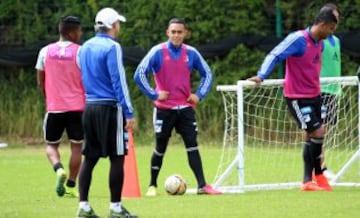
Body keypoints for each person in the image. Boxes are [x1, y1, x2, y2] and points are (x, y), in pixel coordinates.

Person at [248, 5, 340, 191]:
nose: (332, 33)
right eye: (331, 28)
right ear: (322, 24)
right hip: (297, 97)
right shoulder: (297, 39)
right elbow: (275, 54)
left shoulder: (320, 43)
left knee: (310, 135)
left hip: (315, 95)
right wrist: (261, 75)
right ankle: (319, 175)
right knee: (318, 132)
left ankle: (307, 181)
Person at [134, 18, 222, 196]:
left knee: (192, 145)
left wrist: (199, 95)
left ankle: (202, 186)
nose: (176, 35)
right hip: (164, 110)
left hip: (185, 109)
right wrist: (154, 94)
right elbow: (139, 74)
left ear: (185, 33)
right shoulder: (157, 51)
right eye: (173, 32)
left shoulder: (191, 53)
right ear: (168, 32)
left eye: (179, 32)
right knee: (160, 147)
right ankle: (152, 185)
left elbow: (207, 73)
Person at [76, 7, 137, 218]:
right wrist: (129, 112)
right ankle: (116, 208)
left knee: (89, 158)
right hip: (110, 108)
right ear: (113, 26)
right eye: (118, 23)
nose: (119, 27)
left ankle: (83, 207)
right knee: (117, 157)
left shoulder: (83, 47)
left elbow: (81, 75)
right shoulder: (113, 47)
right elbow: (118, 81)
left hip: (90, 107)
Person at [35, 15, 84, 198]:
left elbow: (41, 79)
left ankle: (58, 168)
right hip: (77, 109)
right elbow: (86, 79)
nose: (80, 34)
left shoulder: (45, 51)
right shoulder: (80, 52)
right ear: (72, 33)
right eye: (79, 31)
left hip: (55, 107)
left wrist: (48, 96)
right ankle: (71, 184)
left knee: (51, 145)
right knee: (77, 148)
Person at [318, 3, 342, 180]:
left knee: (326, 130)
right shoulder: (318, 40)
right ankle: (320, 167)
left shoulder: (337, 41)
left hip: (334, 90)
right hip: (321, 89)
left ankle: (320, 166)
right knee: (320, 129)